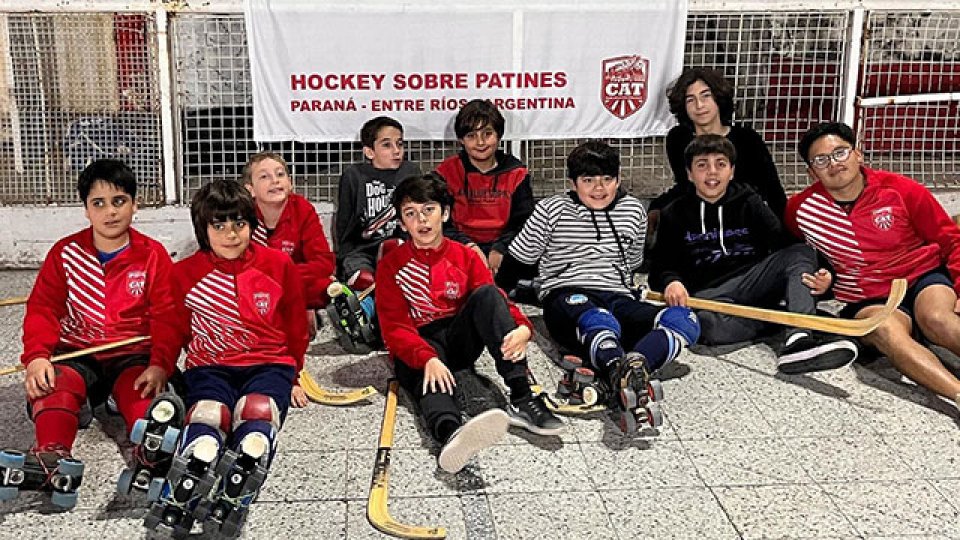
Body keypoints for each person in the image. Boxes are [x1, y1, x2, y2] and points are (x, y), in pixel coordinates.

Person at [12, 158, 182, 506]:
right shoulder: (65, 253)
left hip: (132, 354)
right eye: (98, 203)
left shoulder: (152, 255)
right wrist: (37, 357)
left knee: (144, 389)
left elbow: (168, 316)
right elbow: (43, 309)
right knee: (53, 384)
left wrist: (161, 363)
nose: (110, 212)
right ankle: (52, 457)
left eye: (119, 201)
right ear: (86, 210)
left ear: (135, 205)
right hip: (78, 351)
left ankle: (150, 452)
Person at [145, 180, 308, 538]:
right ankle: (197, 460)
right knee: (208, 414)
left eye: (239, 224)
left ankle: (246, 465)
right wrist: (160, 363)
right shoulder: (184, 273)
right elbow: (171, 327)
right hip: (209, 366)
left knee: (257, 411)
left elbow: (296, 326)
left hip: (270, 364)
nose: (231, 234)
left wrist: (295, 372)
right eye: (218, 225)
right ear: (203, 230)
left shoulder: (278, 265)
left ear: (252, 225)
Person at [506, 140, 701, 433]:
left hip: (617, 294)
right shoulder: (550, 210)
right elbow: (517, 261)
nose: (599, 188)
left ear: (618, 179)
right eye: (588, 180)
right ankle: (614, 367)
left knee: (685, 320)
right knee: (600, 319)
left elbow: (633, 262)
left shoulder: (634, 211)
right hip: (567, 295)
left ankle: (634, 370)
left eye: (607, 179)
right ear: (572, 183)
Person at [375, 173, 563, 474]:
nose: (421, 220)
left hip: (460, 336)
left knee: (488, 294)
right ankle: (450, 434)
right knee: (430, 382)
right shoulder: (391, 265)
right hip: (419, 343)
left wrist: (523, 328)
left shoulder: (465, 255)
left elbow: (497, 299)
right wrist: (428, 359)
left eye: (429, 210)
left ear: (445, 213)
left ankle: (522, 397)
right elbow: (394, 328)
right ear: (401, 223)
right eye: (411, 214)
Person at [786, 122, 960, 408]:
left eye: (841, 152)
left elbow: (951, 240)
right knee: (886, 331)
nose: (834, 164)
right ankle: (956, 395)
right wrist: (825, 278)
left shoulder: (902, 190)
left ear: (858, 154)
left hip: (921, 277)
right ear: (811, 172)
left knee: (937, 319)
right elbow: (797, 254)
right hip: (866, 295)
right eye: (821, 160)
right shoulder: (800, 210)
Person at [650, 134, 858, 373]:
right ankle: (789, 320)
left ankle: (799, 338)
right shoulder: (673, 213)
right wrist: (671, 282)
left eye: (720, 164)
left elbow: (786, 245)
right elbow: (660, 267)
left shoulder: (749, 201)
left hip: (754, 281)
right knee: (705, 327)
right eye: (702, 165)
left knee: (799, 252)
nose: (712, 173)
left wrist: (824, 274)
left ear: (732, 171)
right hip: (711, 294)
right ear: (689, 174)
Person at [645, 68, 786, 267]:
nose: (699, 106)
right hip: (698, 211)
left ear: (719, 99)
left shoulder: (747, 139)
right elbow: (685, 185)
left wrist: (786, 238)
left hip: (743, 214)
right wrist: (657, 208)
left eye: (706, 96)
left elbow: (772, 191)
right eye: (690, 100)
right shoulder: (678, 139)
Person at [243, 151, 336, 406]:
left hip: (296, 283)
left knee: (327, 285)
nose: (275, 181)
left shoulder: (302, 208)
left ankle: (305, 308)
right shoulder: (243, 216)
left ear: (291, 182)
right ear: (250, 189)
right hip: (258, 288)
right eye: (265, 177)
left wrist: (286, 277)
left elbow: (324, 261)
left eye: (280, 174)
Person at [435, 99, 535, 279]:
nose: (480, 142)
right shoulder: (446, 172)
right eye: (471, 136)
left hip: (505, 246)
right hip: (458, 245)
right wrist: (467, 246)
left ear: (499, 135)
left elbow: (524, 222)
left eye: (487, 134)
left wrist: (501, 248)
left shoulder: (517, 173)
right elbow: (438, 221)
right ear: (461, 140)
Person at [335, 116, 420, 291]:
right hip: (363, 250)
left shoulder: (410, 172)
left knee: (401, 267)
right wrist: (344, 258)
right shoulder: (354, 176)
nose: (397, 151)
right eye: (387, 145)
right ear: (369, 152)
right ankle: (362, 313)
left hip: (401, 246)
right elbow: (344, 224)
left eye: (400, 144)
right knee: (363, 279)